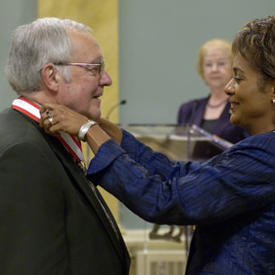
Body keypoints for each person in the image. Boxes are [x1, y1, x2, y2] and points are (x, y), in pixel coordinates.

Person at [40, 15, 275, 274]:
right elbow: (180, 176)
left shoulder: (266, 154)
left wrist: (89, 130)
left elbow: (165, 200)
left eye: (239, 78)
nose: (229, 87)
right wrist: (105, 128)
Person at [0, 17, 130, 275]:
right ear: (52, 76)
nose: (107, 80)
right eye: (94, 68)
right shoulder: (25, 153)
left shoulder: (39, 137)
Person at [177, 38, 248, 159]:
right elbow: (178, 151)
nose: (214, 69)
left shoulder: (243, 106)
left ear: (233, 68)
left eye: (221, 63)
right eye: (209, 64)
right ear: (202, 70)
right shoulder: (188, 109)